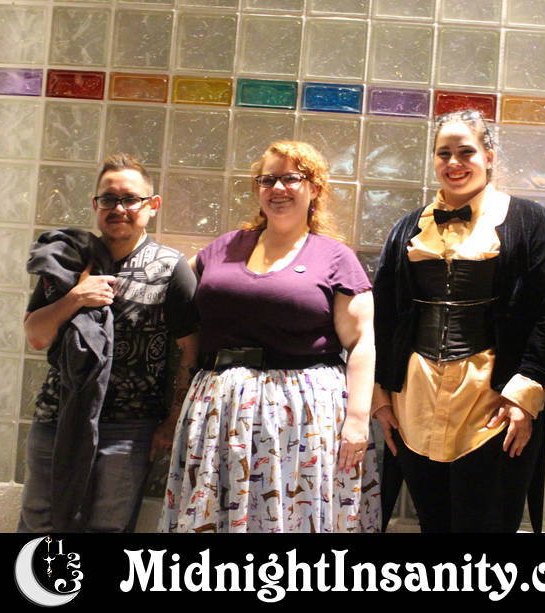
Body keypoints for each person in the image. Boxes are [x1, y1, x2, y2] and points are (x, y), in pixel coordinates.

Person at [160, 141, 380, 533]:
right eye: (267, 180)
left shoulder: (334, 257)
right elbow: (177, 290)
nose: (277, 188)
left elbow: (362, 342)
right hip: (220, 410)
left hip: (303, 415)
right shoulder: (225, 247)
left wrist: (358, 421)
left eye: (291, 178)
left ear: (314, 187)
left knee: (294, 517)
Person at [372, 110, 545, 533]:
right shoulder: (408, 227)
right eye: (444, 153)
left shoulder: (528, 220)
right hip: (415, 401)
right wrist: (381, 397)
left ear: (489, 156)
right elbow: (385, 315)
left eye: (466, 152)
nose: (454, 163)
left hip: (493, 403)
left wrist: (525, 394)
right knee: (433, 526)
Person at [20, 153, 199, 533]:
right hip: (57, 419)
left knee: (107, 530)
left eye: (130, 199)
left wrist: (171, 422)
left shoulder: (171, 268)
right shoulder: (67, 260)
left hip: (128, 428)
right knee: (40, 527)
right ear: (95, 204)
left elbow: (191, 350)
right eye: (108, 199)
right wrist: (75, 298)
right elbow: (36, 335)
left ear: (152, 205)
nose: (118, 208)